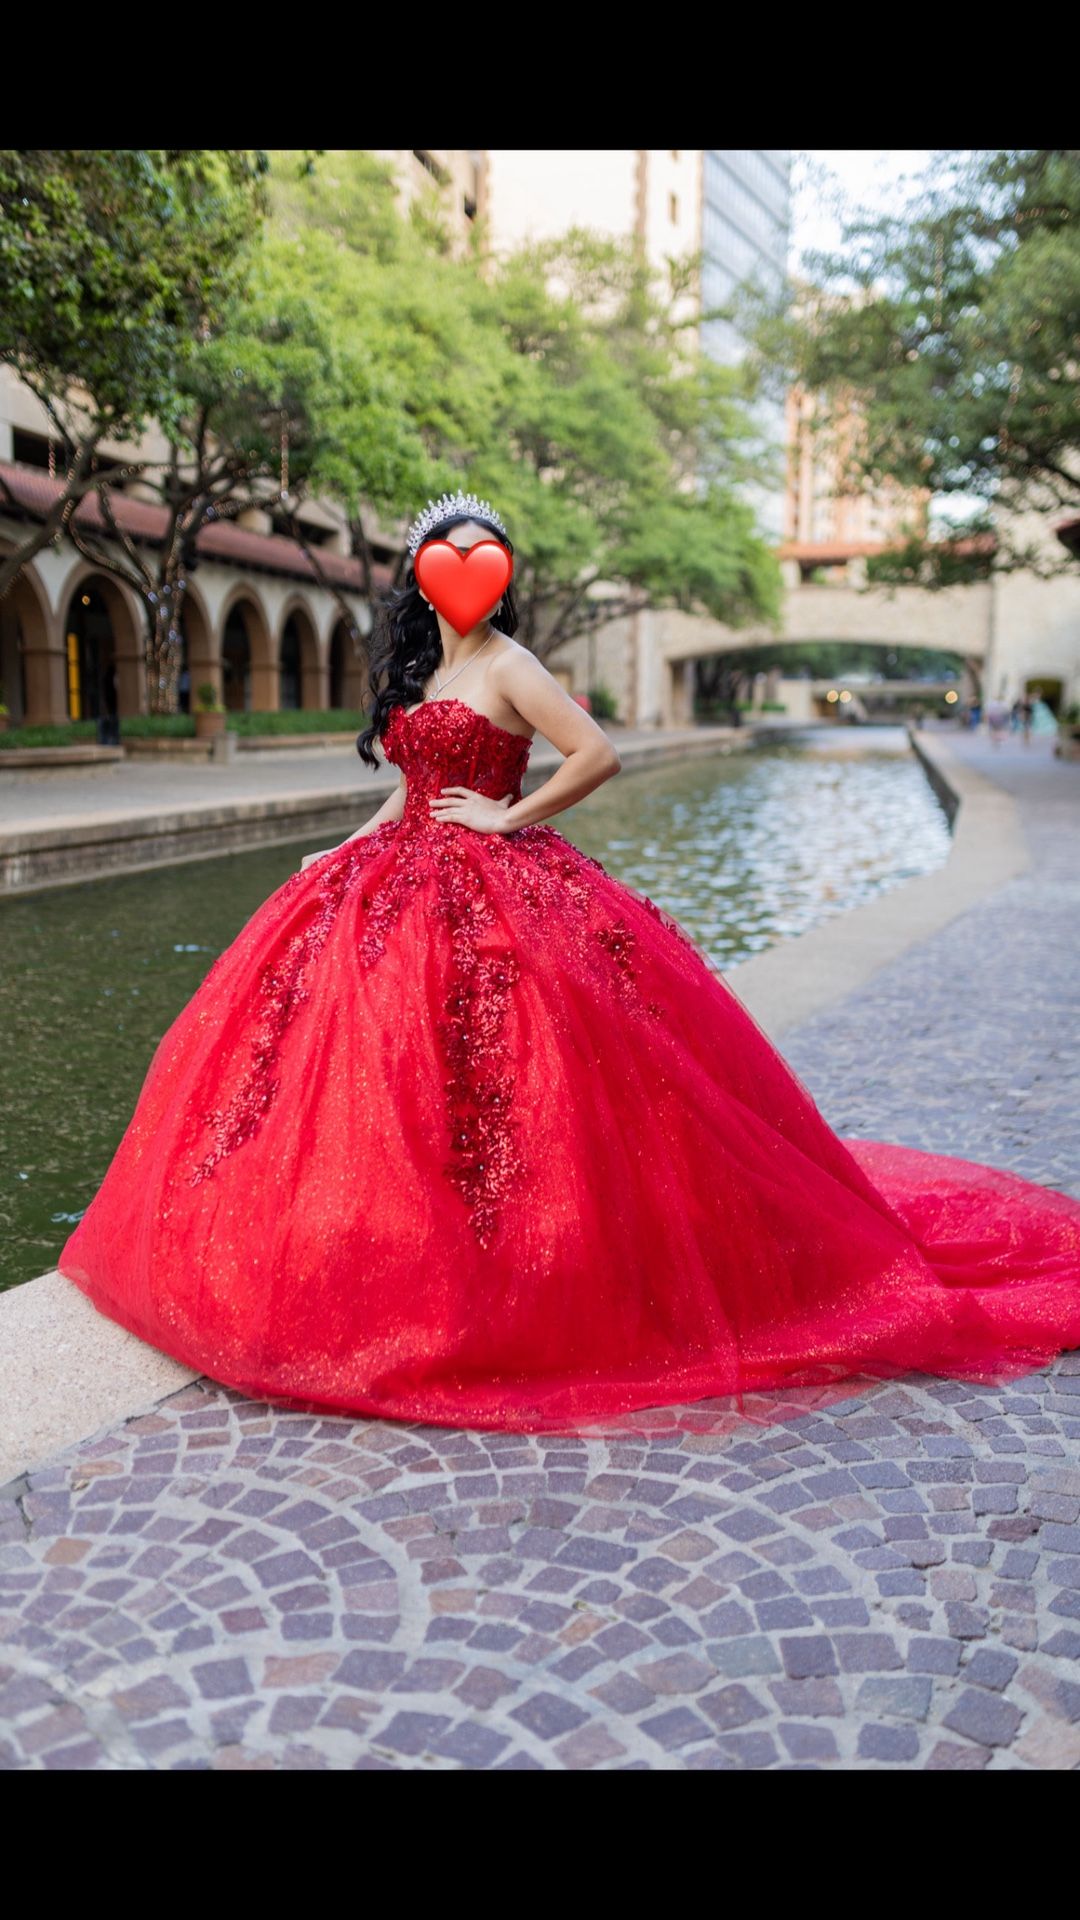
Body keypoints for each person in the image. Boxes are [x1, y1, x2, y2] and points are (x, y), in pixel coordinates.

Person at [57, 492, 1080, 1435]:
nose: (462, 572)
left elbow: (595, 753)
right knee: (371, 1076)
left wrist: (508, 815)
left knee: (512, 1082)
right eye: (444, 558)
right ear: (419, 574)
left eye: (480, 558)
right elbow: (413, 783)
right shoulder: (428, 672)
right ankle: (395, 1254)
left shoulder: (508, 663)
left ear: (500, 574)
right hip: (401, 868)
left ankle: (510, 1277)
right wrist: (349, 843)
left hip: (493, 881)